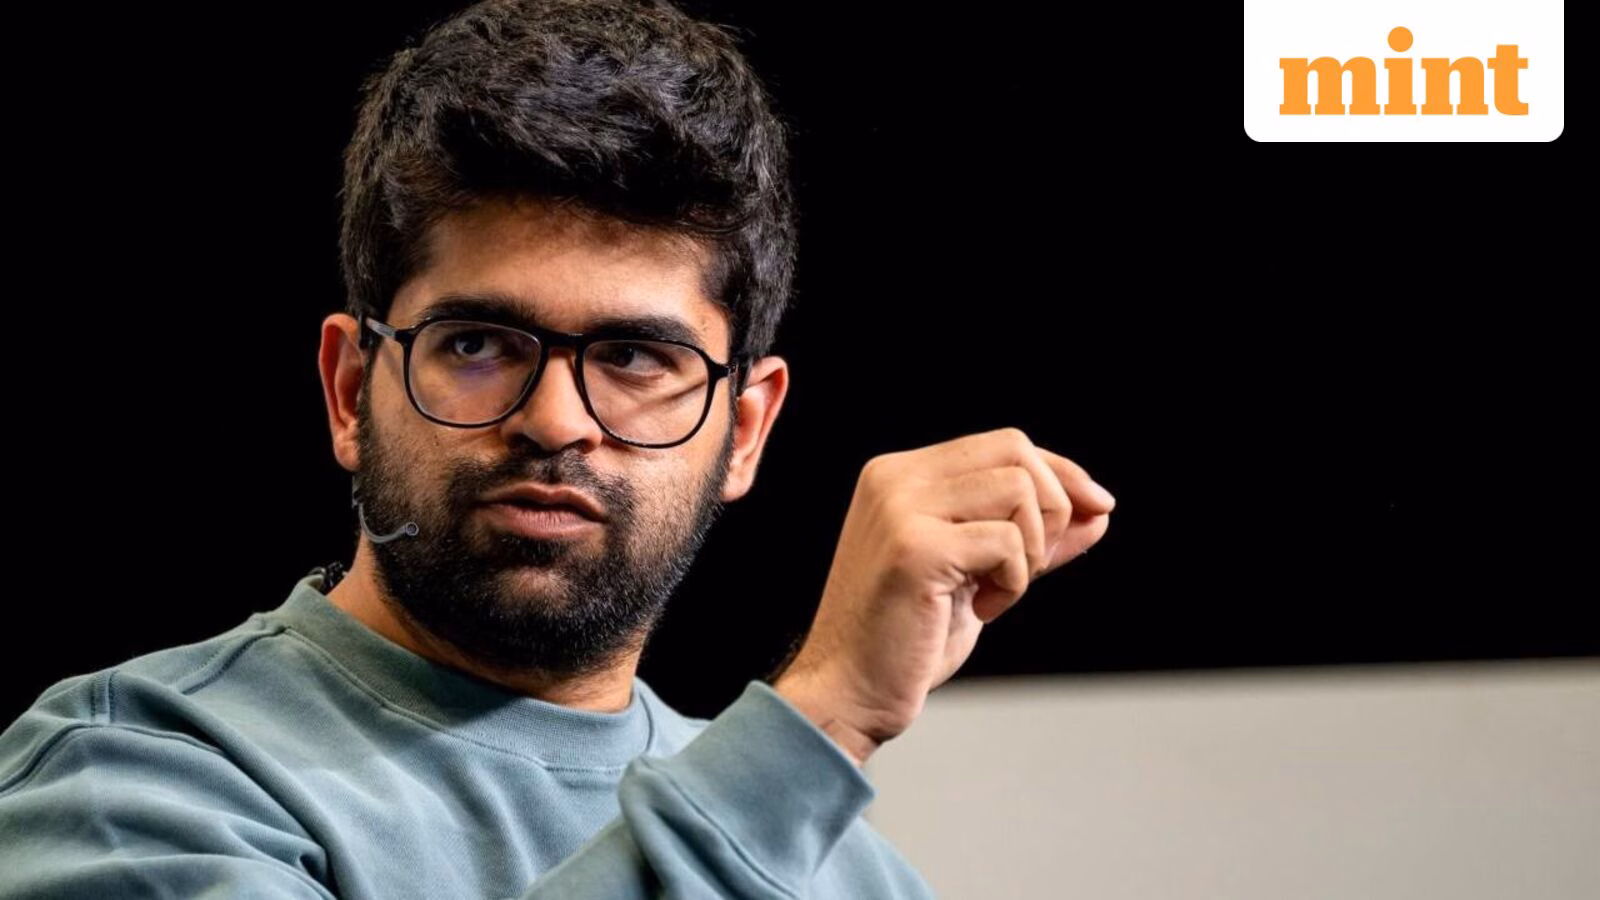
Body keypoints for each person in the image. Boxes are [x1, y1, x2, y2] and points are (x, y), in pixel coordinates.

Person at [0, 0, 1116, 896]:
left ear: (743, 431)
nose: (555, 419)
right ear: (349, 392)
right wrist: (823, 716)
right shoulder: (132, 777)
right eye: (478, 343)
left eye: (635, 356)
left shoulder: (837, 871)